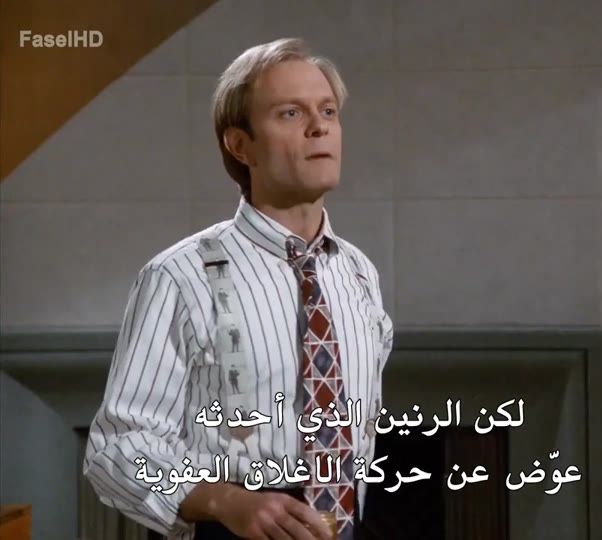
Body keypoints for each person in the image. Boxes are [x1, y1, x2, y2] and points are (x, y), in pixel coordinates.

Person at [83, 37, 394, 540]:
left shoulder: (358, 274)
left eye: (328, 111)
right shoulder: (180, 277)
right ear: (240, 145)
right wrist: (225, 502)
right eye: (290, 113)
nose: (319, 127)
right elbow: (117, 450)